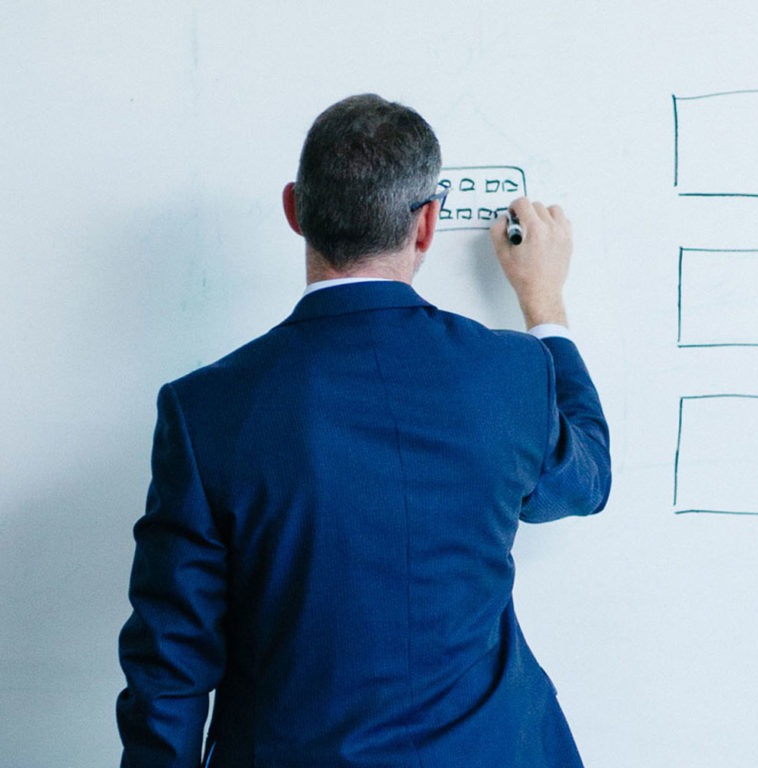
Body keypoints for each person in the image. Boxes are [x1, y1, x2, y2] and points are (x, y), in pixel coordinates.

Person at [116, 93, 611, 768]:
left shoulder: (205, 410)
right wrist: (544, 304)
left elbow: (169, 669)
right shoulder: (512, 375)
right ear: (428, 224)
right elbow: (585, 483)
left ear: (296, 209)